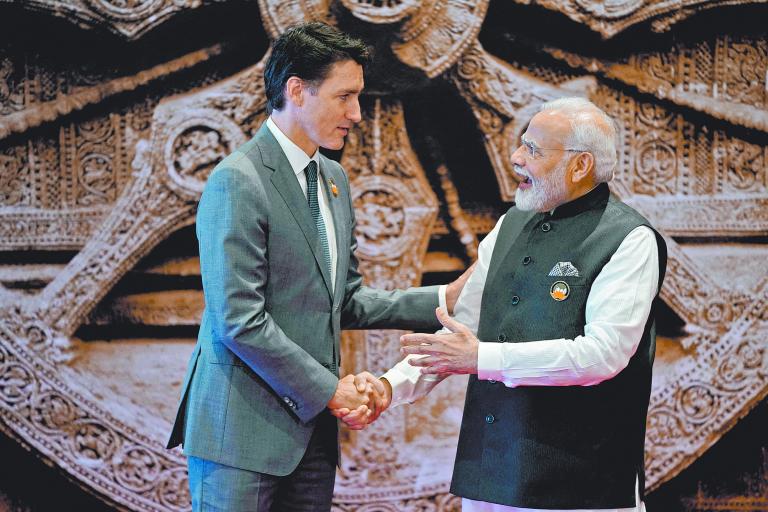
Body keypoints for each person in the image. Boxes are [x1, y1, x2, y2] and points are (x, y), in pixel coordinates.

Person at [166, 22, 465, 511]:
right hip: (241, 437)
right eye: (345, 97)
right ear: (296, 91)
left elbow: (344, 298)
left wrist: (443, 298)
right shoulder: (237, 180)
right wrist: (331, 391)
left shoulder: (333, 179)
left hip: (311, 439)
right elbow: (238, 319)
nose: (357, 114)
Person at [349, 97, 668, 512]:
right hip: (491, 476)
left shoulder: (629, 239)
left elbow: (602, 356)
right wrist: (389, 386)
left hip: (580, 487)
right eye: (522, 145)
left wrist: (481, 358)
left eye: (534, 150)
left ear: (580, 165)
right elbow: (460, 332)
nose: (516, 158)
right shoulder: (510, 224)